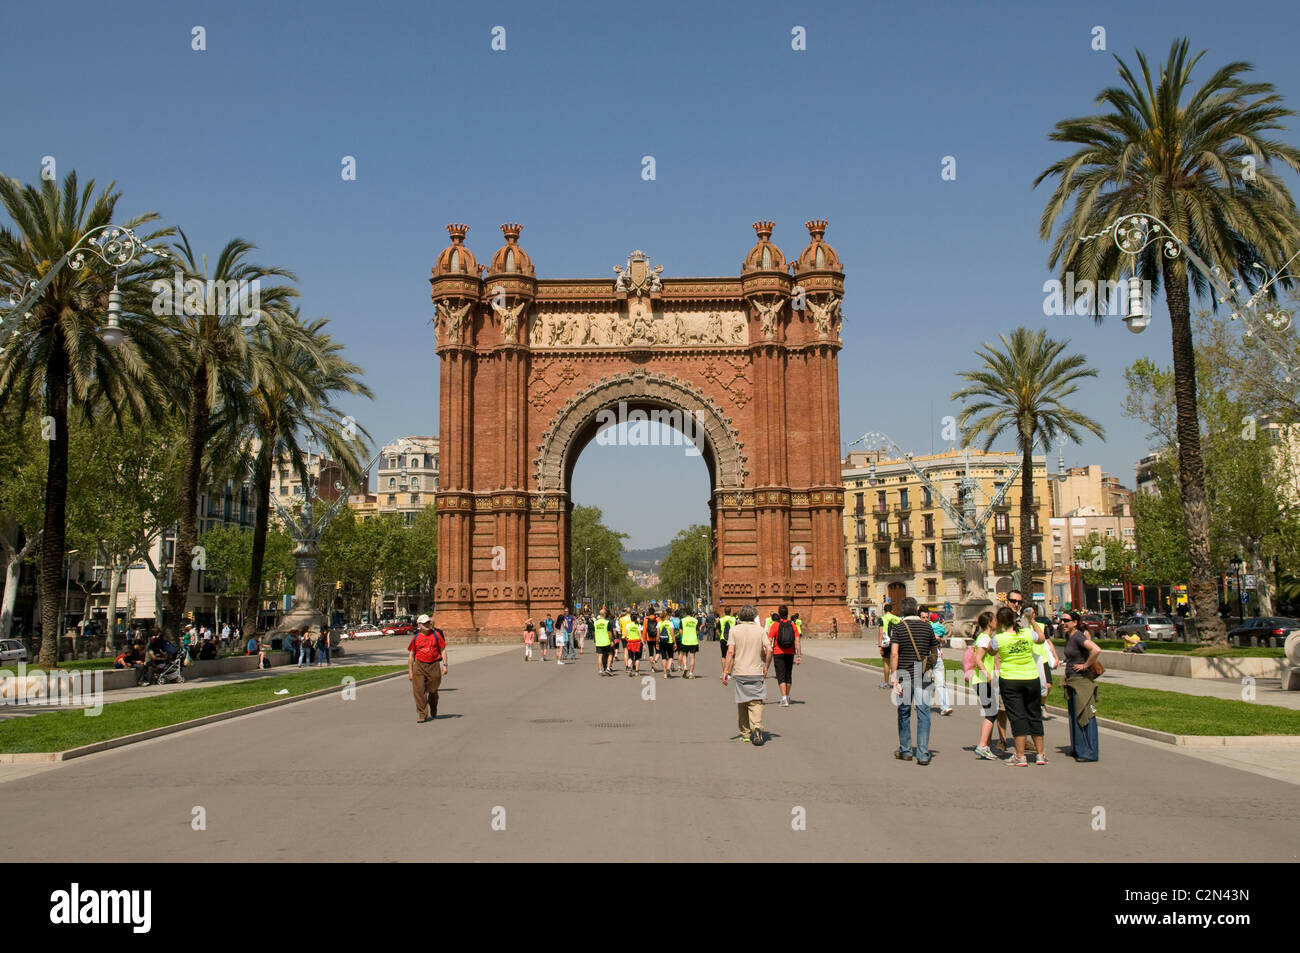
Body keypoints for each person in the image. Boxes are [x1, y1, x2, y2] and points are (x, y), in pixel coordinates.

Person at [986, 604, 1047, 766]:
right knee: (1034, 714)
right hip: (1031, 678)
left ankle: (1020, 756)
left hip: (1010, 680)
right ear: (1015, 619)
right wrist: (1032, 620)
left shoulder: (999, 639)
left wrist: (995, 632)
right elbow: (1041, 639)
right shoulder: (1027, 633)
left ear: (999, 622)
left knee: (1017, 716)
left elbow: (990, 651)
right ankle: (1040, 754)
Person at [889, 597, 937, 764]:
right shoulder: (927, 627)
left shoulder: (899, 628)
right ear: (916, 610)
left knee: (904, 712)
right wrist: (931, 665)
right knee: (924, 713)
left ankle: (906, 750)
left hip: (904, 675)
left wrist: (894, 677)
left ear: (902, 611)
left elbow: (894, 654)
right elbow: (934, 652)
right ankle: (923, 754)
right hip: (923, 674)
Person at [721, 604, 768, 745]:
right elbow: (769, 649)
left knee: (742, 702)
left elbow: (730, 652)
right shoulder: (760, 631)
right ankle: (757, 727)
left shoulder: (735, 630)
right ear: (754, 616)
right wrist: (766, 666)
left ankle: (746, 734)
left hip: (740, 671)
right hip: (756, 671)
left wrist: (725, 671)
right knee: (756, 701)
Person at [1062, 611, 1102, 762]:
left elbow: (1096, 649)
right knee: (1075, 716)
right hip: (1073, 682)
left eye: (1066, 620)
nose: (1062, 623)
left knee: (1086, 715)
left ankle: (1089, 752)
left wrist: (1085, 665)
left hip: (1082, 683)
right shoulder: (1070, 636)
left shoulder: (1078, 636)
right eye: (1062, 620)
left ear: (1075, 622)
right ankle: (1078, 748)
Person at [969, 610, 1002, 760]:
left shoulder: (987, 637)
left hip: (983, 680)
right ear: (989, 622)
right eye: (994, 619)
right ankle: (982, 746)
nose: (996, 621)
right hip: (981, 680)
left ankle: (986, 745)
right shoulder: (983, 638)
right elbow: (978, 659)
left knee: (991, 712)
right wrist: (987, 675)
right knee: (991, 712)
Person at [408, 614, 448, 723]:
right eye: (424, 623)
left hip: (434, 665)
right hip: (419, 666)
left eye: (428, 623)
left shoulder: (436, 635)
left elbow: (443, 650)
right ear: (419, 625)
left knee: (433, 690)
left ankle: (433, 707)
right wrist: (410, 672)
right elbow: (411, 656)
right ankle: (422, 714)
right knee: (419, 691)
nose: (427, 625)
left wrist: (445, 665)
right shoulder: (416, 638)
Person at [765, 605, 801, 706]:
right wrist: (799, 655)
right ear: (787, 614)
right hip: (790, 652)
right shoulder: (792, 625)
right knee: (788, 674)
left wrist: (768, 650)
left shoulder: (775, 625)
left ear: (779, 613)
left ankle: (784, 698)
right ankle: (788, 696)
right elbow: (797, 640)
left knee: (781, 675)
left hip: (778, 652)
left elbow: (770, 640)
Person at [929, 612, 953, 716]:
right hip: (924, 656)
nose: (925, 619)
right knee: (923, 681)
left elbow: (943, 640)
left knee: (940, 682)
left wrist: (940, 639)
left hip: (936, 654)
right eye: (923, 617)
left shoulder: (931, 627)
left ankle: (945, 707)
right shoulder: (931, 627)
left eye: (926, 617)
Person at [879, 603, 900, 689]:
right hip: (896, 642)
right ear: (891, 610)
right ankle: (896, 682)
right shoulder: (896, 618)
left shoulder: (883, 618)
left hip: (886, 643)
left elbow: (881, 632)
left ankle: (886, 683)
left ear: (884, 610)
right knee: (895, 663)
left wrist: (880, 645)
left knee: (886, 663)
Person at [679, 607, 700, 678]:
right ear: (692, 613)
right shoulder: (696, 620)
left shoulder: (682, 620)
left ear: (686, 613)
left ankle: (685, 666)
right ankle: (691, 673)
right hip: (694, 641)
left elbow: (681, 632)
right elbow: (697, 631)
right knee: (692, 657)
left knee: (684, 655)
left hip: (685, 640)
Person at [593, 610, 615, 675]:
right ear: (605, 614)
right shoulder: (607, 622)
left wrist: (595, 640)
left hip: (599, 642)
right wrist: (611, 641)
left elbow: (594, 633)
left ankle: (600, 670)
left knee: (600, 656)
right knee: (610, 654)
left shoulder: (595, 622)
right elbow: (609, 633)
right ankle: (608, 668)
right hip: (606, 641)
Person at [657, 613, 675, 679]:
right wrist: (675, 642)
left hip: (661, 642)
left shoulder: (659, 623)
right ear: (666, 616)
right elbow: (672, 634)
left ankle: (665, 674)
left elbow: (658, 634)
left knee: (663, 658)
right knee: (671, 657)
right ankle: (668, 668)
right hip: (669, 641)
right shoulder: (670, 623)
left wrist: (657, 642)